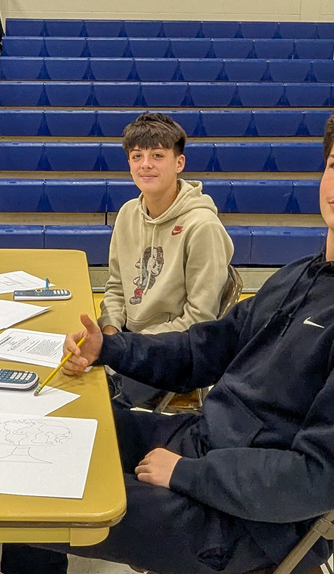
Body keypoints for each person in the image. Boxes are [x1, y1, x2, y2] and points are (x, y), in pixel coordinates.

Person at [0, 98, 334, 574]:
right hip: (203, 444)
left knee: (32, 492)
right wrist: (111, 349)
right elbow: (203, 349)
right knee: (38, 427)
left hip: (249, 522)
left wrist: (186, 475)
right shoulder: (302, 275)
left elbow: (318, 478)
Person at [99, 112, 233, 409]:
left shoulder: (203, 227)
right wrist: (110, 332)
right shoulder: (127, 214)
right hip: (130, 342)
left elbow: (199, 321)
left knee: (103, 411)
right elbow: (116, 287)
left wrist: (127, 348)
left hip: (173, 351)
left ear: (179, 163)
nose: (146, 164)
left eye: (157, 155)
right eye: (137, 156)